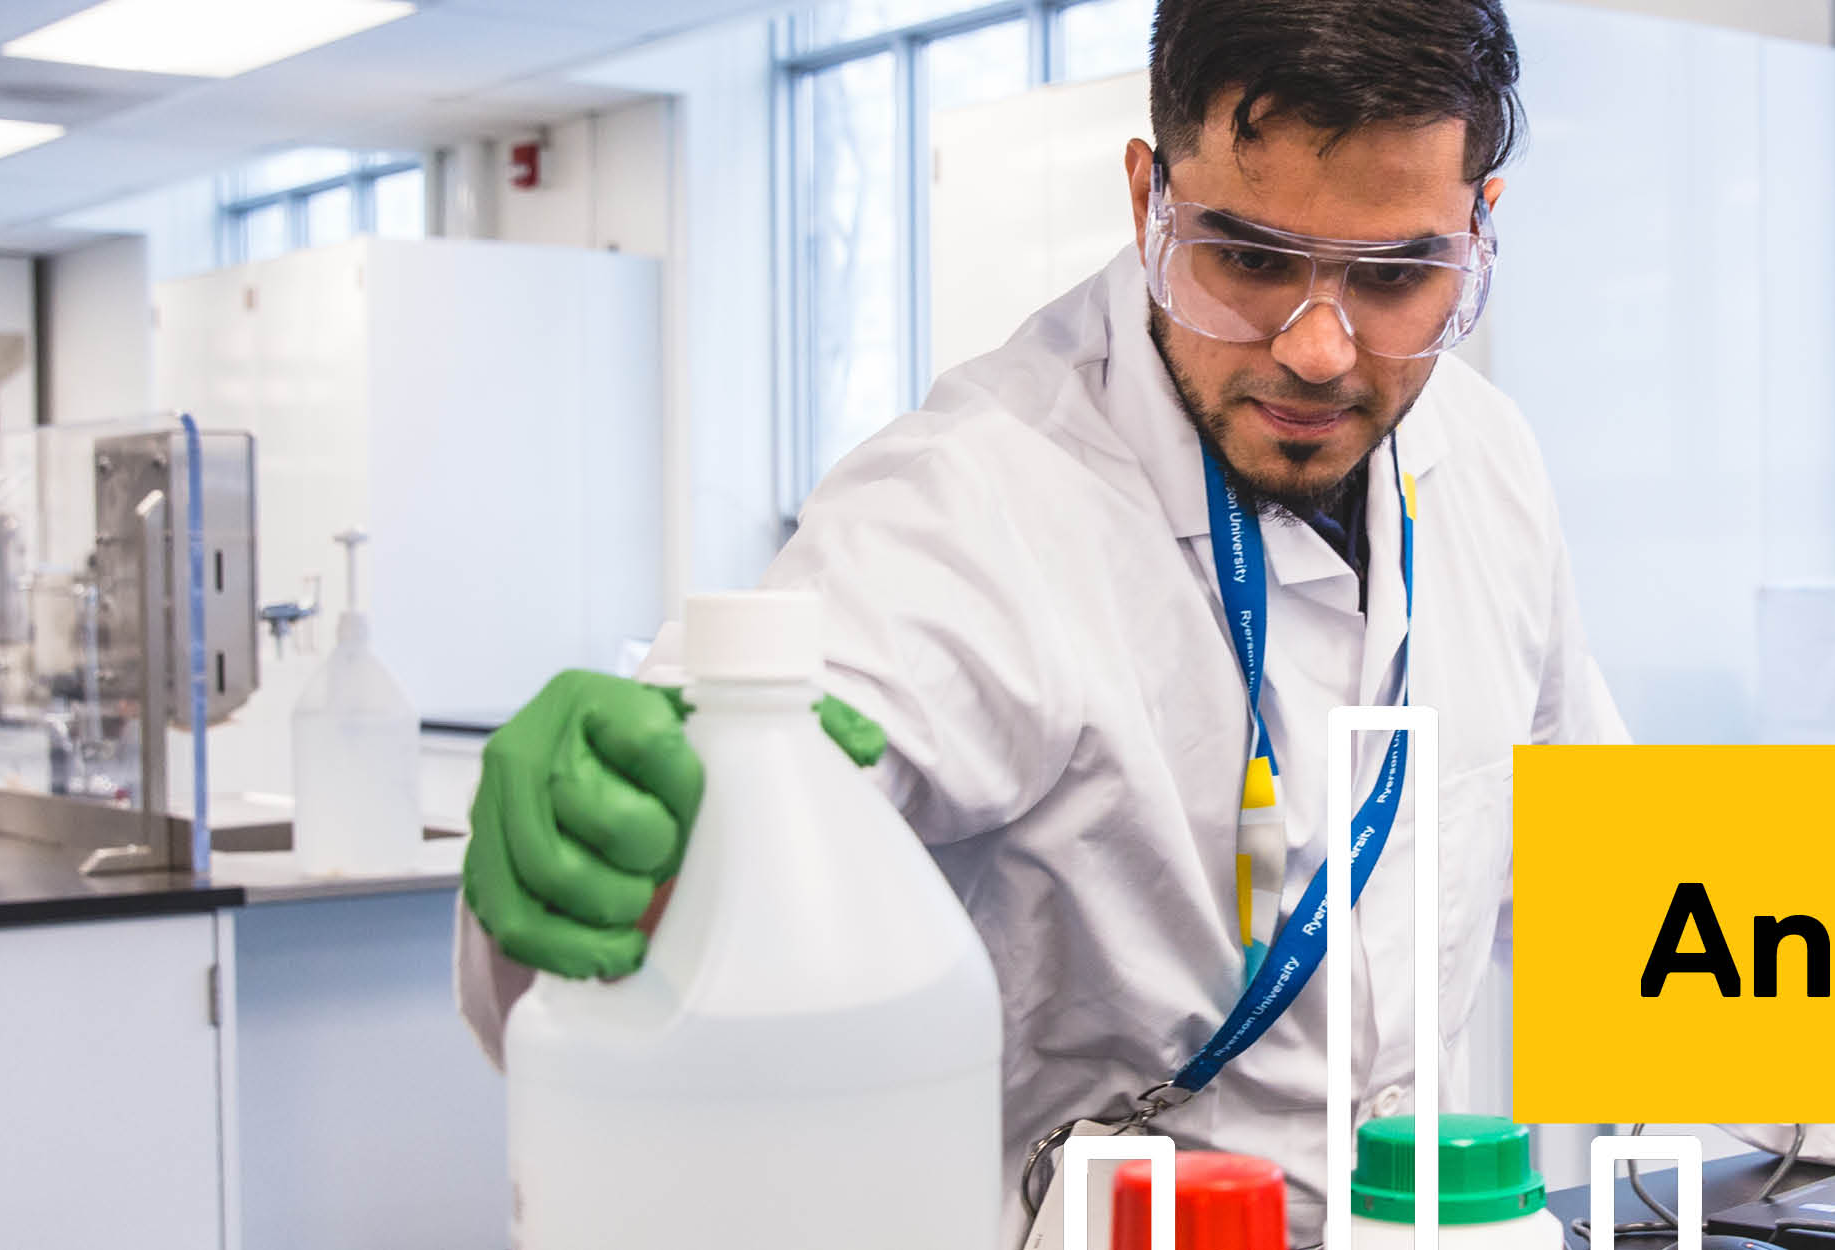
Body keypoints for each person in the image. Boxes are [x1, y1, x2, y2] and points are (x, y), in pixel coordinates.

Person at [452, 0, 1618, 1238]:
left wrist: (1825, 1038)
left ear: (1476, 228)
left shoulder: (1485, 457)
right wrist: (636, 831)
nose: (1320, 349)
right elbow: (734, 805)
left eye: (1394, 276)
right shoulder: (974, 503)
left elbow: (1583, 847)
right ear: (1146, 201)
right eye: (1250, 259)